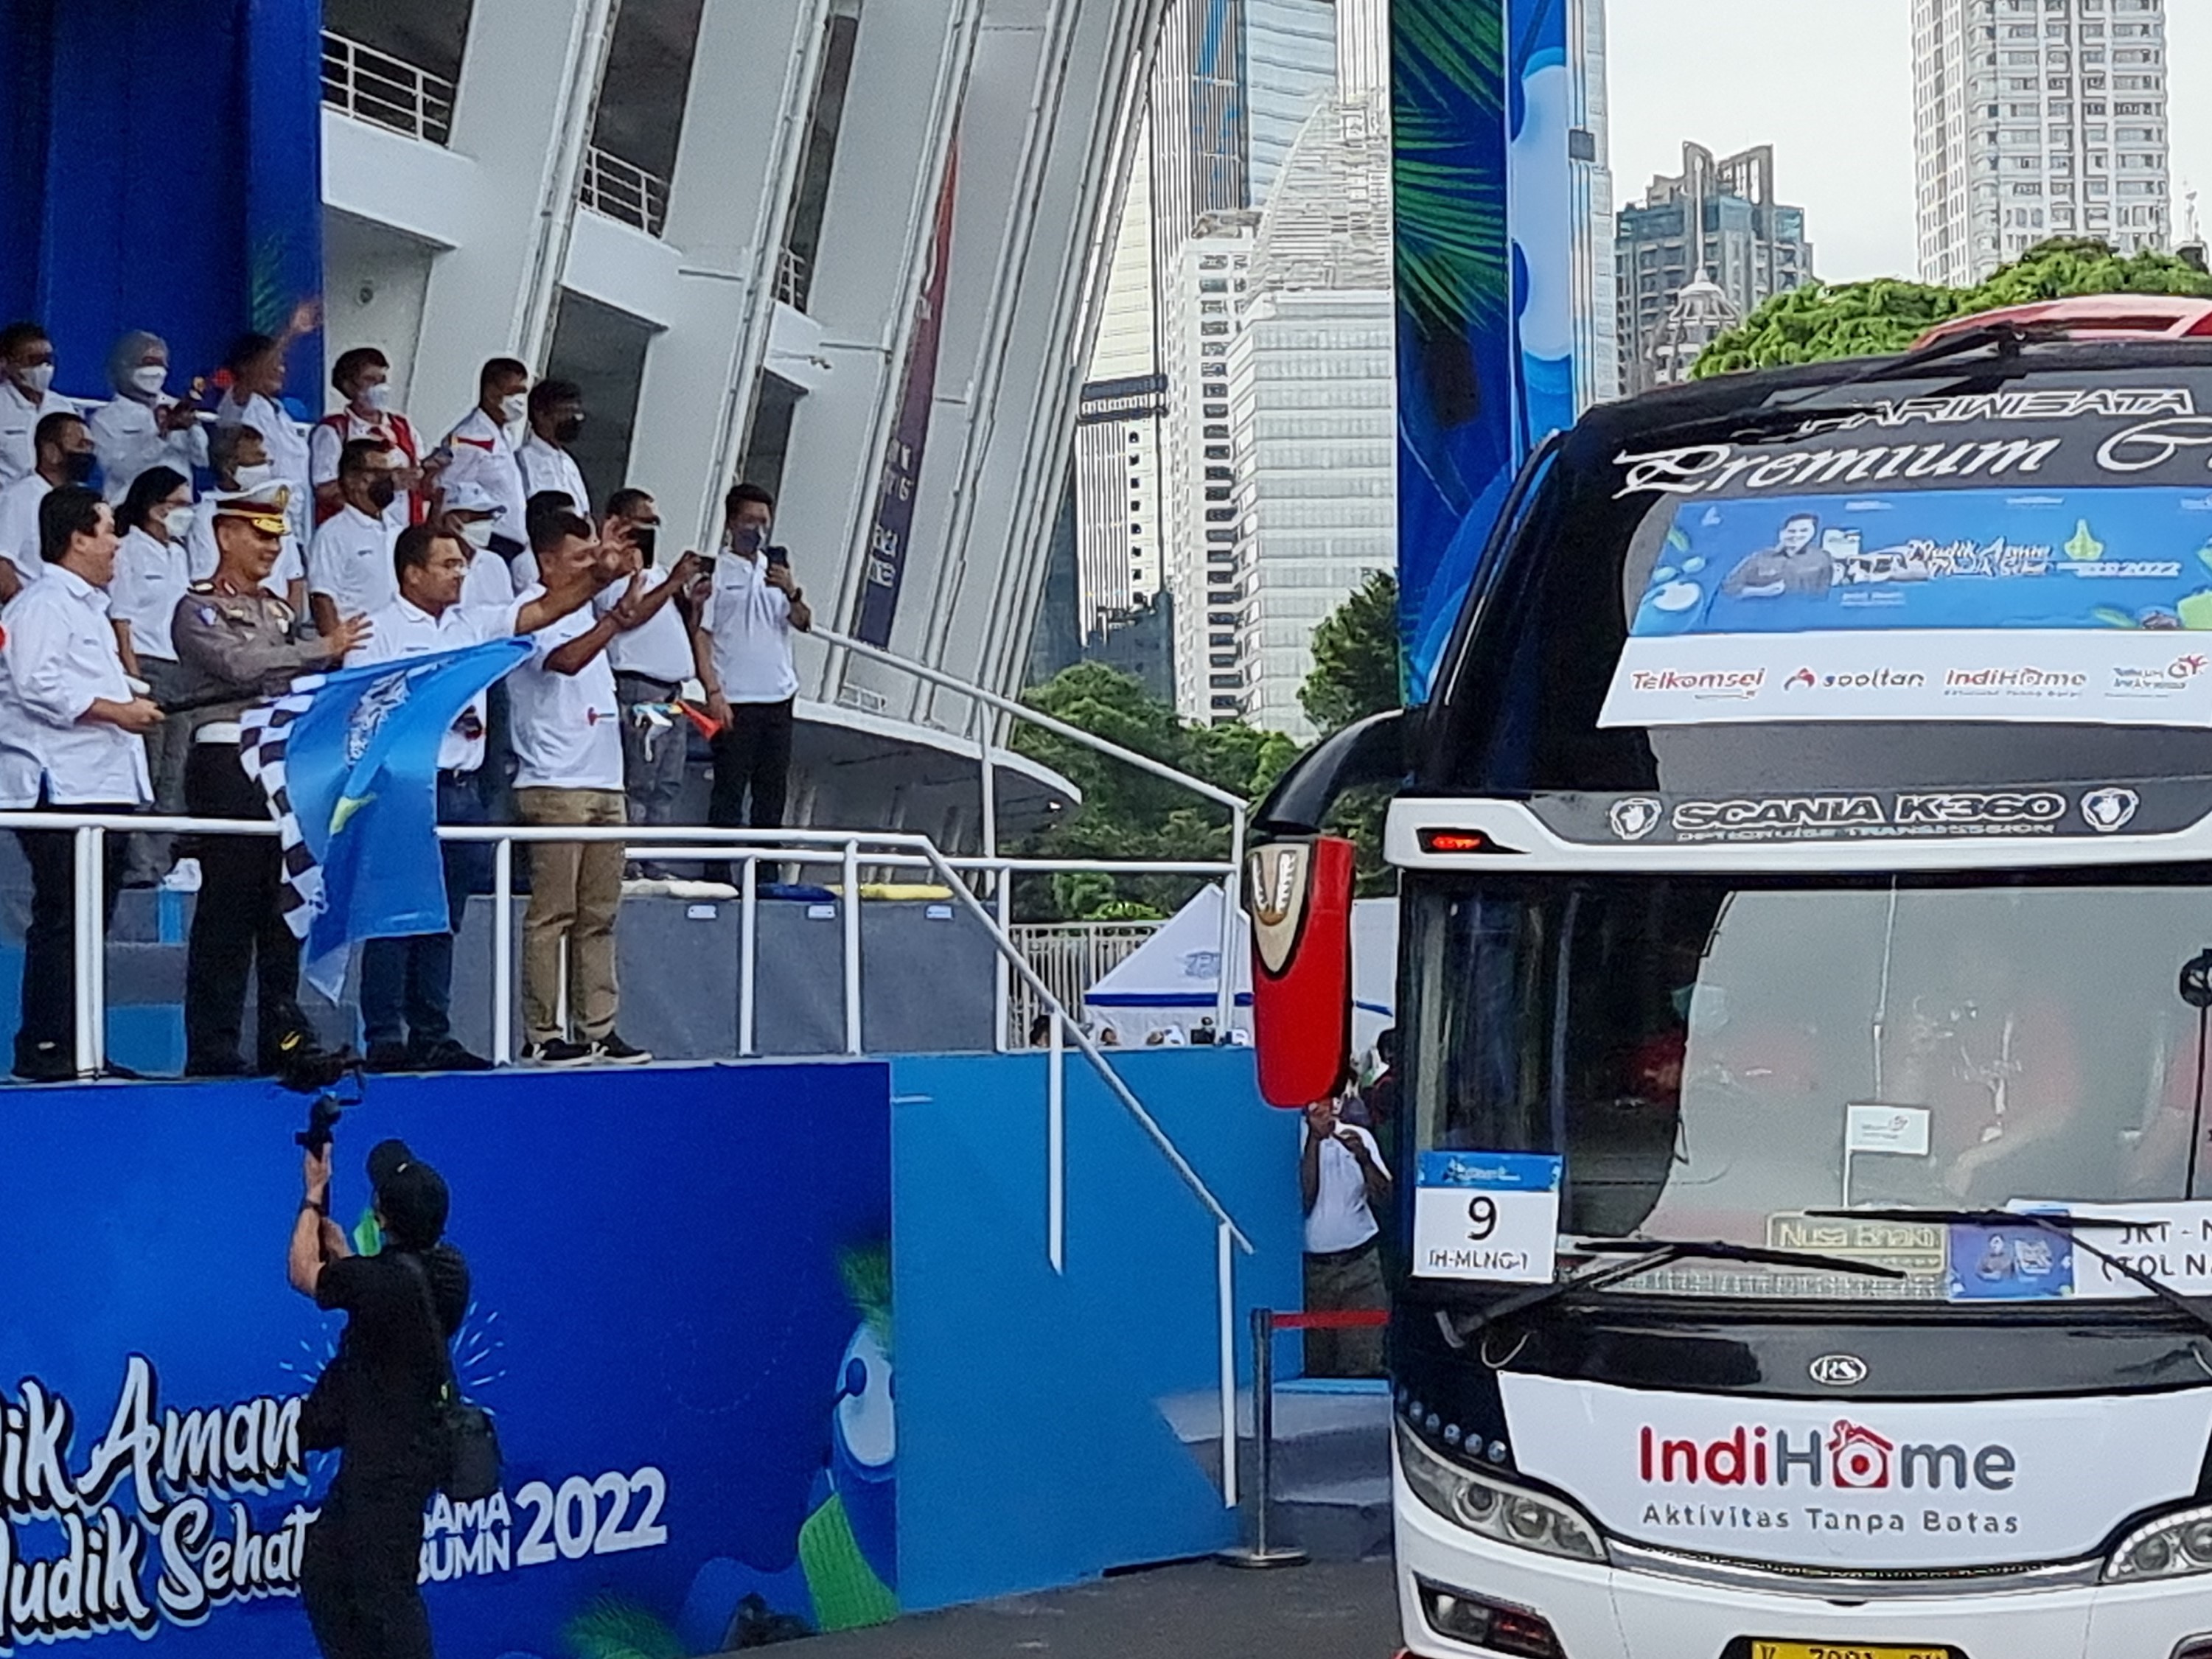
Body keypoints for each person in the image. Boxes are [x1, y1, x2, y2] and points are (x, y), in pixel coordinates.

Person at [348, 523, 662, 1069]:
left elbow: (543, 611)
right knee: (394, 917)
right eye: (447, 564)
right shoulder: (376, 631)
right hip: (403, 787)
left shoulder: (473, 623)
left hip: (462, 791)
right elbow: (364, 711)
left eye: (462, 564)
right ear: (412, 572)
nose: (459, 574)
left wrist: (599, 577)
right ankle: (384, 1038)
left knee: (443, 920)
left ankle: (431, 1033)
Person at [170, 481, 369, 1078]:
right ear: (225, 533)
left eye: (277, 538)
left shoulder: (281, 611)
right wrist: (320, 650)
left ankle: (281, 1039)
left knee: (282, 905)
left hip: (282, 763)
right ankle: (213, 1045)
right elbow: (237, 664)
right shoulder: (198, 606)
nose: (270, 548)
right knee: (228, 905)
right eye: (259, 535)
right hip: (229, 757)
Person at [509, 505, 691, 1065]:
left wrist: (620, 596)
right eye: (580, 556)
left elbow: (616, 621)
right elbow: (562, 661)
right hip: (555, 779)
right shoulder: (526, 612)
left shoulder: (588, 607)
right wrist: (613, 619)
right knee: (552, 913)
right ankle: (542, 1034)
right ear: (546, 560)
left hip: (603, 779)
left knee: (599, 914)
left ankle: (597, 1027)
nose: (592, 564)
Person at [0, 485, 161, 1080]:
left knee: (90, 922)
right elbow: (37, 683)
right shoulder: (43, 603)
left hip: (102, 782)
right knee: (65, 918)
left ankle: (82, 1042)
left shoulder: (87, 607)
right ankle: (45, 1044)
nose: (117, 541)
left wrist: (132, 700)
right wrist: (117, 711)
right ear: (77, 538)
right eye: (109, 528)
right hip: (62, 784)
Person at [293, 1136, 468, 1659]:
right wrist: (347, 1258)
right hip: (395, 1453)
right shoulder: (450, 1271)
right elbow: (382, 1295)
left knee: (388, 1592)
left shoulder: (384, 1283)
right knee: (324, 1571)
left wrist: (313, 1194)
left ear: (383, 1218)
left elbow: (303, 1271)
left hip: (388, 1466)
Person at [697, 483, 809, 862]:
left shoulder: (775, 570)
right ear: (731, 522)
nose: (757, 529)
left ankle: (765, 872)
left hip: (778, 693)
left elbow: (803, 622)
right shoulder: (715, 572)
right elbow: (703, 633)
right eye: (749, 520)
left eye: (763, 521)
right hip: (736, 698)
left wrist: (791, 590)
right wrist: (713, 691)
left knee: (771, 790)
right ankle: (719, 872)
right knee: (729, 788)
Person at [599, 488, 702, 880]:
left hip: (673, 689)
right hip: (640, 686)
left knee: (667, 782)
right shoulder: (614, 571)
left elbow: (674, 625)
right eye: (642, 522)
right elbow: (629, 616)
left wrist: (691, 600)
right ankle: (627, 862)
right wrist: (674, 581)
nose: (649, 530)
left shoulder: (656, 573)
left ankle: (653, 860)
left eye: (654, 523)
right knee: (639, 780)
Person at [108, 466, 198, 887]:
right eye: (178, 504)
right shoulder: (127, 550)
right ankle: (139, 864)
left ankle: (161, 862)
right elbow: (121, 619)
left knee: (172, 771)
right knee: (146, 766)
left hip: (179, 666)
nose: (186, 511)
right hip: (145, 664)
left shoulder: (179, 554)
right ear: (154, 506)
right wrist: (132, 676)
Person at [1299, 1093, 1391, 1377]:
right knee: (1318, 1361)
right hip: (1315, 1269)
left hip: (1361, 1261)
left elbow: (1386, 1197)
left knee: (1364, 1359)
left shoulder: (1358, 1135)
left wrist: (1364, 1159)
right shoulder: (1295, 1139)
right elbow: (1304, 1199)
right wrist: (1315, 1141)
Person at [212, 304, 319, 541]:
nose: (280, 369)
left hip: (294, 520)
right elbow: (253, 377)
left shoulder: (281, 413)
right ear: (243, 367)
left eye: (282, 362)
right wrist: (290, 333)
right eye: (273, 361)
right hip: (254, 516)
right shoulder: (238, 402)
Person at [191, 423, 309, 611]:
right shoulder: (205, 516)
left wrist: (290, 623)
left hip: (276, 618)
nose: (266, 464)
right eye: (257, 458)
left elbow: (294, 576)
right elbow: (204, 578)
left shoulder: (275, 511)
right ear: (229, 467)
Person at [311, 347, 426, 530]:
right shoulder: (335, 429)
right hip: (355, 532)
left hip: (404, 532)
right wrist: (382, 488)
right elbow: (325, 489)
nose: (379, 387)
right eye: (370, 380)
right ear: (349, 385)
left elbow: (421, 475)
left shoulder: (402, 425)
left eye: (382, 380)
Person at [88, 330, 206, 505]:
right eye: (148, 362)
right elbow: (119, 470)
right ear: (123, 365)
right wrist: (162, 434)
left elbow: (202, 459)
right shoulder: (105, 419)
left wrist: (192, 427)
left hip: (179, 510)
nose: (156, 370)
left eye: (161, 363)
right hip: (129, 511)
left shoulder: (178, 406)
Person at [307, 439, 402, 638]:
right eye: (379, 474)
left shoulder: (398, 528)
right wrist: (337, 651)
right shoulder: (333, 533)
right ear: (352, 479)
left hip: (399, 644)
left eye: (389, 473)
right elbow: (322, 597)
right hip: (360, 647)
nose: (389, 481)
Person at [441, 358, 531, 561]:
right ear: (492, 393)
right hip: (487, 539)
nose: (519, 400)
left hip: (512, 540)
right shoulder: (472, 435)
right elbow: (450, 487)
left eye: (523, 393)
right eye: (513, 392)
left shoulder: (504, 434)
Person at [0, 411, 94, 598]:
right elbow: (2, 565)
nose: (87, 455)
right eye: (80, 446)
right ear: (52, 452)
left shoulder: (83, 499)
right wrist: (26, 606)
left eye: (90, 447)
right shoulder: (20, 497)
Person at [0, 322, 75, 489]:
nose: (44, 367)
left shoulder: (63, 407)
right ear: (8, 363)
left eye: (48, 359)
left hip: (54, 502)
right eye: (34, 360)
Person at [515, 378, 589, 515]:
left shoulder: (569, 464)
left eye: (577, 412)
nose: (575, 419)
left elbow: (584, 513)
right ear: (541, 414)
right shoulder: (522, 462)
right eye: (567, 411)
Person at [1720, 512, 1834, 600]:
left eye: (1804, 531)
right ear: (1782, 533)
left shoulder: (1822, 558)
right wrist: (1762, 591)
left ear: (1813, 533)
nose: (1797, 535)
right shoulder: (1759, 559)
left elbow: (1826, 593)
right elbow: (1729, 588)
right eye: (1791, 531)